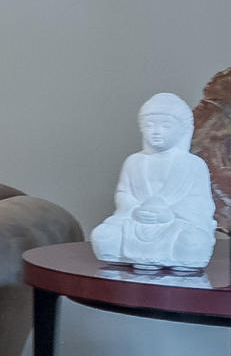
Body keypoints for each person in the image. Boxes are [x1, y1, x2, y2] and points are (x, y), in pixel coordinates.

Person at [91, 92, 217, 272]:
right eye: (149, 125)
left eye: (166, 126)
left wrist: (168, 213)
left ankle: (180, 261)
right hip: (135, 222)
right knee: (103, 236)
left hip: (176, 224)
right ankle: (136, 255)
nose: (156, 132)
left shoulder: (193, 165)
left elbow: (201, 204)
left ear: (182, 129)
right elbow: (123, 194)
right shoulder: (134, 161)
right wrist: (135, 210)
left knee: (193, 243)